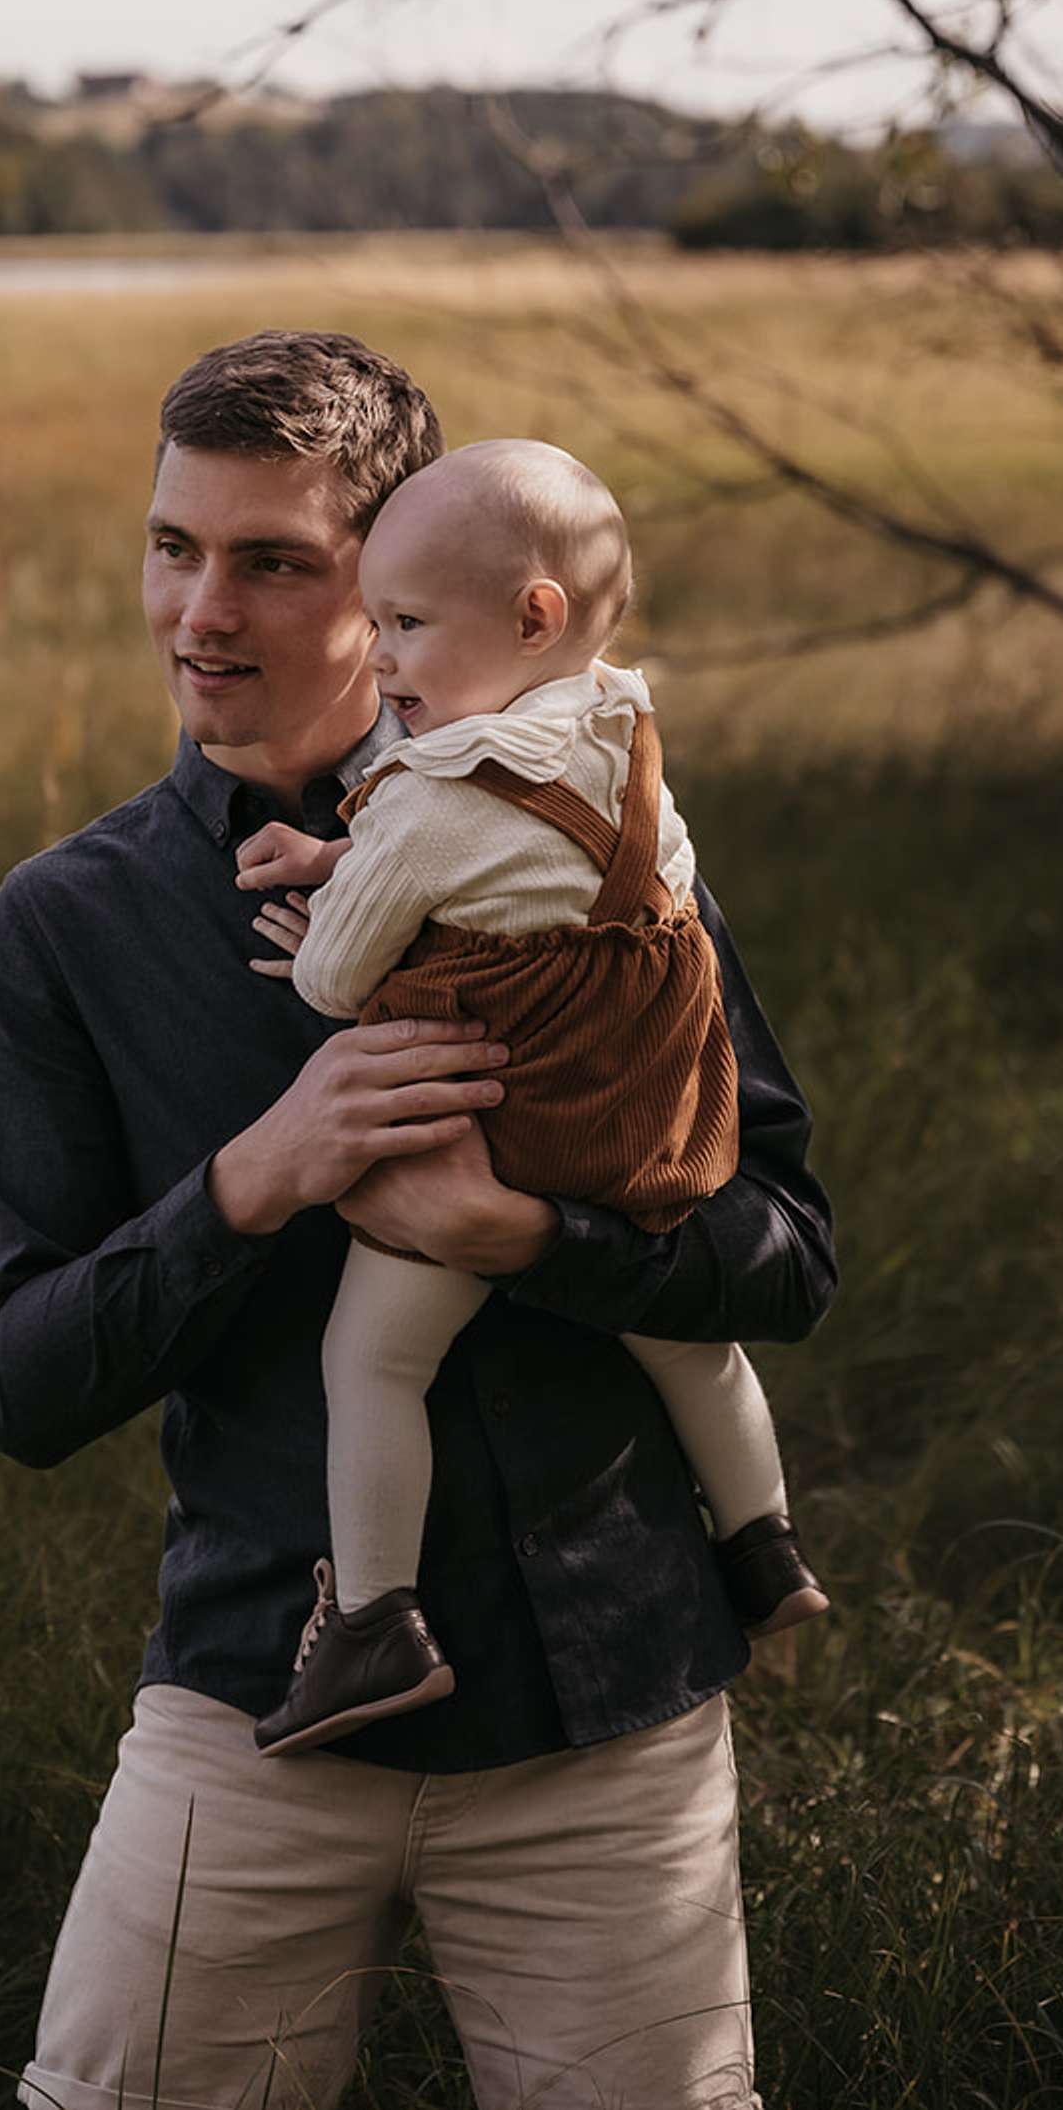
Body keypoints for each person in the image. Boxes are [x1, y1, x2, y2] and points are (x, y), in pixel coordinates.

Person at [0, 328, 834, 2110]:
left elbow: (789, 1253)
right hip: (254, 1716)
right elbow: (21, 1383)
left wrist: (537, 1238)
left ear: (405, 589)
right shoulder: (67, 925)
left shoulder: (612, 854)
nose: (203, 611)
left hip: (605, 1718)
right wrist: (248, 1183)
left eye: (273, 561)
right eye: (171, 547)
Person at [231, 438, 828, 1759]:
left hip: (514, 1132)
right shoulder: (619, 729)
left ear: (533, 615)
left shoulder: (431, 809)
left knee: (376, 1353)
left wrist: (326, 910)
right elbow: (534, 872)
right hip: (654, 1115)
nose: (378, 657)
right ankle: (764, 1537)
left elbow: (338, 977)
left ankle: (378, 1619)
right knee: (687, 1341)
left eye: (404, 623)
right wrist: (357, 848)